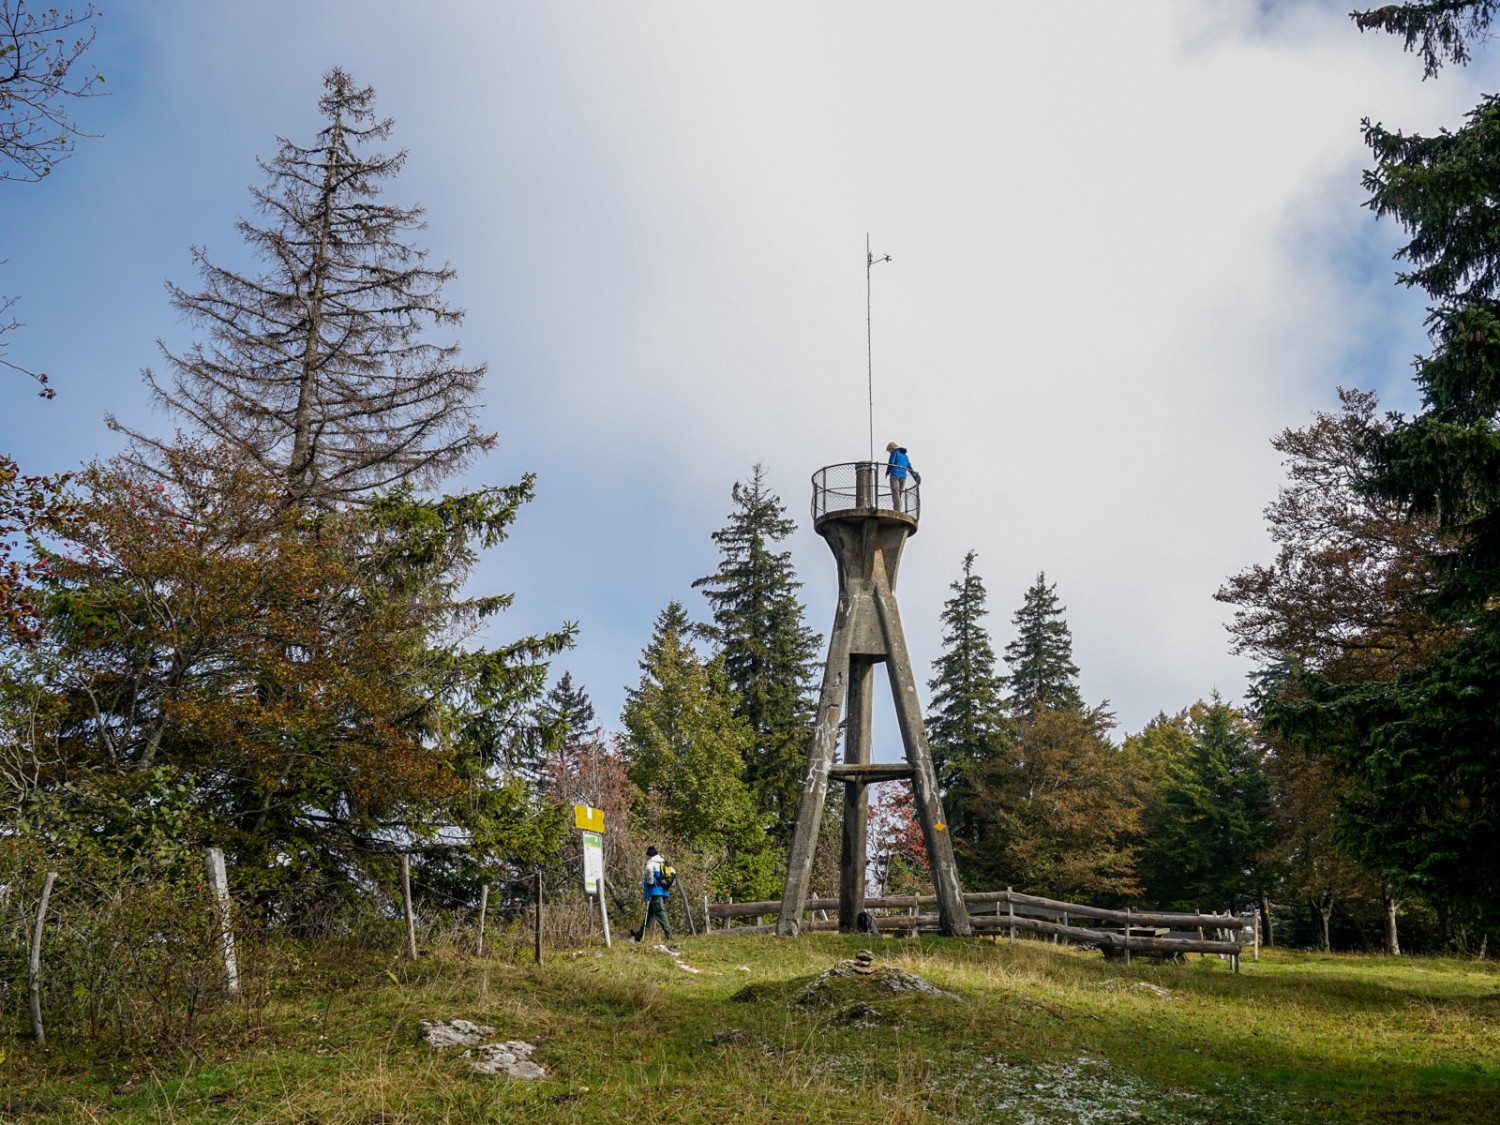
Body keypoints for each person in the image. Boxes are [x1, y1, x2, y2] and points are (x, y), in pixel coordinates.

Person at [633, 845, 674, 943]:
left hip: (655, 892)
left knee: (660, 912)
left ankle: (669, 935)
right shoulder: (663, 862)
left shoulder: (650, 863)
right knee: (650, 914)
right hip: (663, 891)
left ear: (649, 855)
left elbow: (650, 878)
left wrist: (650, 884)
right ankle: (639, 935)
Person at [886, 441, 914, 512]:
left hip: (895, 475)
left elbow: (891, 463)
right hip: (903, 477)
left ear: (891, 449)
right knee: (899, 494)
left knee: (895, 494)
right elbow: (909, 467)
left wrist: (887, 472)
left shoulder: (894, 452)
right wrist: (915, 477)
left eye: (889, 451)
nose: (889, 453)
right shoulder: (905, 456)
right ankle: (899, 509)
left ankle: (897, 511)